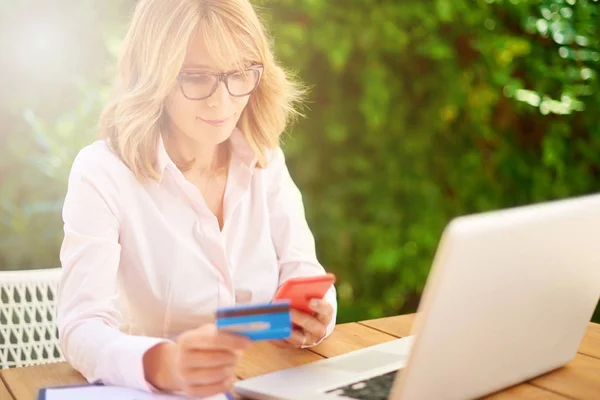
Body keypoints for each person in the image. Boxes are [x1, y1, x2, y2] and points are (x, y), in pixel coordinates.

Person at [56, 0, 337, 398]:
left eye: (239, 74)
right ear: (154, 75)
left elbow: (305, 272)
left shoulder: (264, 158)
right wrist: (163, 363)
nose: (221, 101)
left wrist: (316, 319)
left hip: (263, 383)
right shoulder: (102, 171)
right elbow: (81, 326)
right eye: (196, 77)